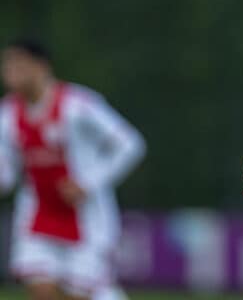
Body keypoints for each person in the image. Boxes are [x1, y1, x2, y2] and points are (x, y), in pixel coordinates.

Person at [0, 38, 146, 300]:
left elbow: (130, 144)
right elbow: (7, 172)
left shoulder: (78, 104)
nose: (9, 70)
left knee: (78, 295)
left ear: (40, 66)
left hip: (86, 219)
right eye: (6, 64)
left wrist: (88, 183)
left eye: (17, 63)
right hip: (38, 215)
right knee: (41, 289)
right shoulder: (7, 115)